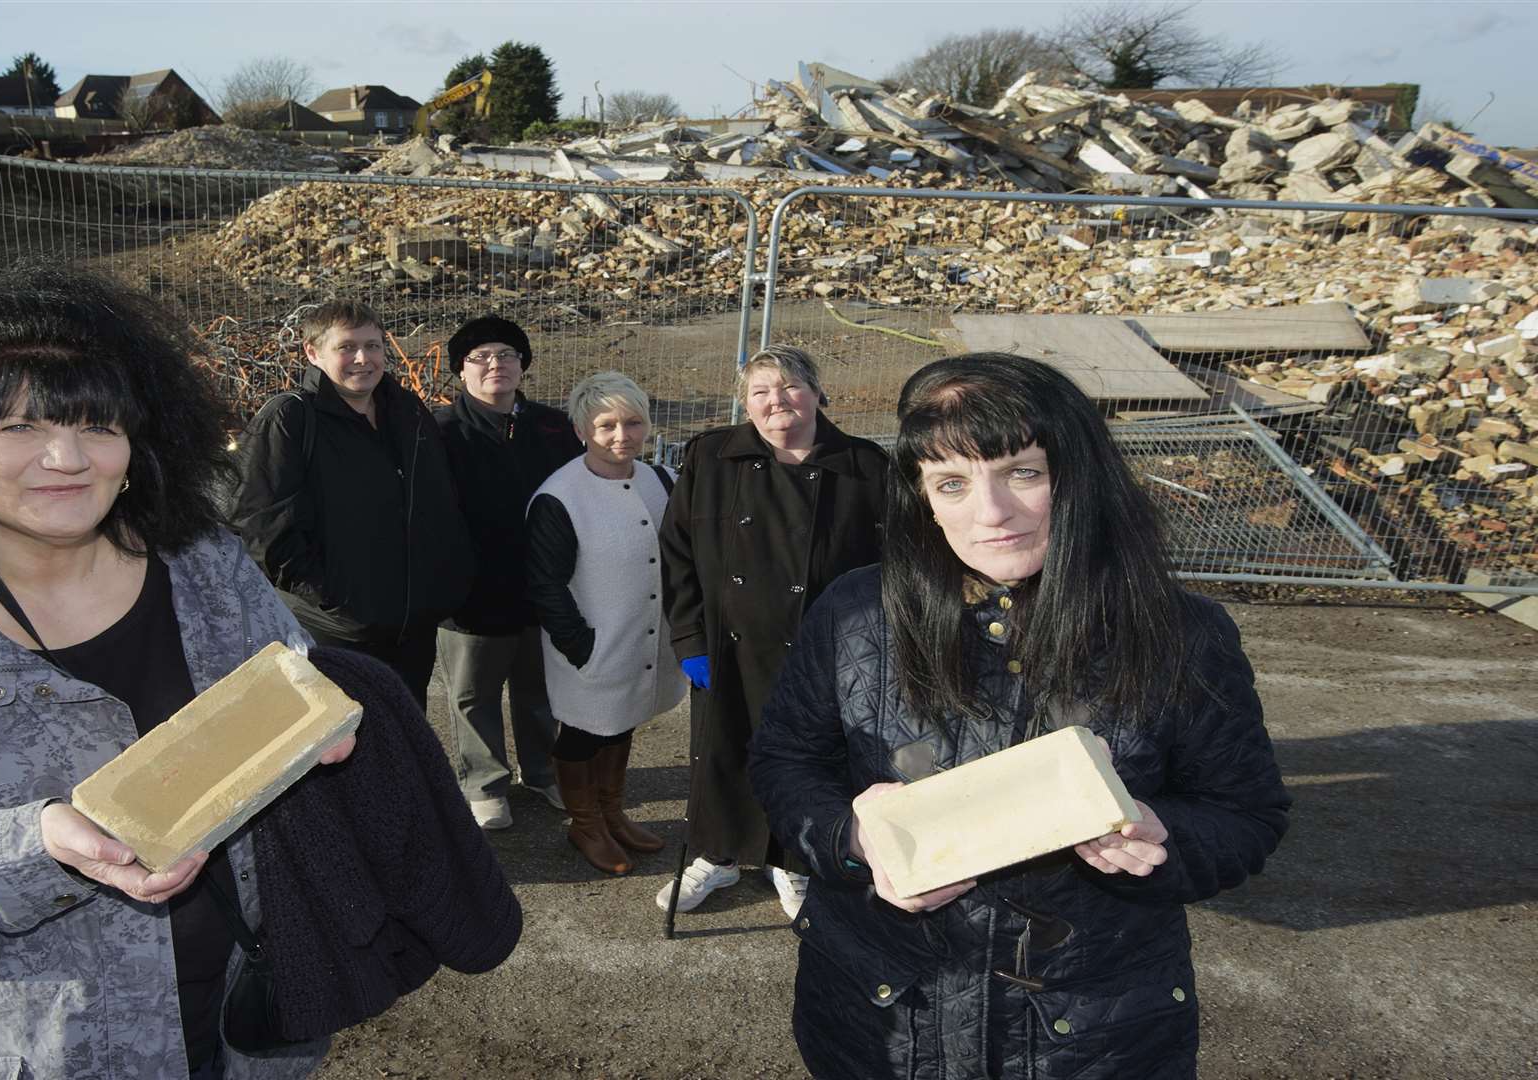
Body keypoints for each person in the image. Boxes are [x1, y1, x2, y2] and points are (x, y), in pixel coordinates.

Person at [0, 268, 521, 1080]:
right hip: (17, 1057)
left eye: (96, 424)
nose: (67, 458)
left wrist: (318, 739)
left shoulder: (209, 571)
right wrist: (31, 848)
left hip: (246, 1035)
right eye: (15, 427)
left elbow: (293, 711)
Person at [749, 352, 1291, 1079]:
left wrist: (1170, 836)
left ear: (1078, 477)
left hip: (1094, 1036)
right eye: (952, 483)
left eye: (1023, 473)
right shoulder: (854, 612)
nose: (991, 513)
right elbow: (784, 763)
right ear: (921, 498)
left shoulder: (1182, 633)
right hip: (881, 1017)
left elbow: (1247, 815)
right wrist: (851, 838)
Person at [657, 345, 888, 919]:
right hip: (727, 647)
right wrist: (689, 640)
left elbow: (888, 567)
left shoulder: (865, 467)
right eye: (760, 392)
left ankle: (794, 860)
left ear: (816, 393)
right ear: (746, 404)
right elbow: (676, 553)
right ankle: (717, 856)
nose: (776, 402)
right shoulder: (712, 457)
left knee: (809, 758)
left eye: (789, 388)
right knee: (722, 753)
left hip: (824, 653)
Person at [232, 300, 474, 708]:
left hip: (410, 628)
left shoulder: (408, 412)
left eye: (374, 346)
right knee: (347, 749)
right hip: (336, 632)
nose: (363, 359)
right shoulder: (289, 419)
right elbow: (261, 528)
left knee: (404, 735)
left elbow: (441, 503)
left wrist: (445, 585)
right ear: (313, 352)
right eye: (346, 347)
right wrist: (336, 603)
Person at [524, 372, 687, 875]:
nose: (622, 436)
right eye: (607, 425)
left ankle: (612, 813)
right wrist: (580, 646)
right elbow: (545, 584)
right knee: (583, 732)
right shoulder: (560, 496)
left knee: (623, 720)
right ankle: (585, 824)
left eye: (634, 423)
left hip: (645, 641)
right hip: (592, 645)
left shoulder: (661, 479)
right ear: (581, 431)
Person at [433, 315, 584, 829]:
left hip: (541, 585)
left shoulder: (553, 427)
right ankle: (485, 783)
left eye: (506, 355)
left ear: (523, 366)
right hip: (472, 593)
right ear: (460, 371)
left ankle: (542, 772)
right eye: (480, 357)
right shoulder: (439, 431)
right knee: (473, 694)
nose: (495, 365)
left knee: (539, 689)